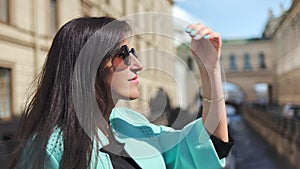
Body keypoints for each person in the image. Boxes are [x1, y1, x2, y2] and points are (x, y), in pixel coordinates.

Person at [9, 16, 233, 169]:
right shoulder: (50, 147)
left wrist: (210, 69)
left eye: (132, 52)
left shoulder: (131, 124)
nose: (137, 64)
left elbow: (208, 148)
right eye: (122, 53)